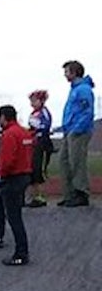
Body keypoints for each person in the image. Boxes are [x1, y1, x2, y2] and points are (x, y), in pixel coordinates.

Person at [0, 104, 34, 265]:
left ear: (4, 117)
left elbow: (7, 159)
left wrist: (2, 173)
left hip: (12, 177)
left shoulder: (9, 134)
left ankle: (21, 253)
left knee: (14, 216)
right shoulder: (24, 132)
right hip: (24, 175)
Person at [57, 59, 94, 207]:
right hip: (69, 130)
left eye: (67, 71)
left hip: (79, 131)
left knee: (77, 161)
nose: (65, 75)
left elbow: (87, 111)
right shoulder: (74, 89)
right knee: (63, 160)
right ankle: (69, 194)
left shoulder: (83, 89)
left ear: (74, 72)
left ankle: (81, 193)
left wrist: (77, 129)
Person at [25, 89, 53, 207]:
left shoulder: (44, 112)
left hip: (43, 143)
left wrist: (37, 126)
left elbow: (46, 125)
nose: (32, 103)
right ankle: (34, 196)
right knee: (32, 170)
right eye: (31, 101)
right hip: (34, 143)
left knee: (39, 170)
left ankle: (41, 196)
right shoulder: (33, 113)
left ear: (41, 101)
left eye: (34, 101)